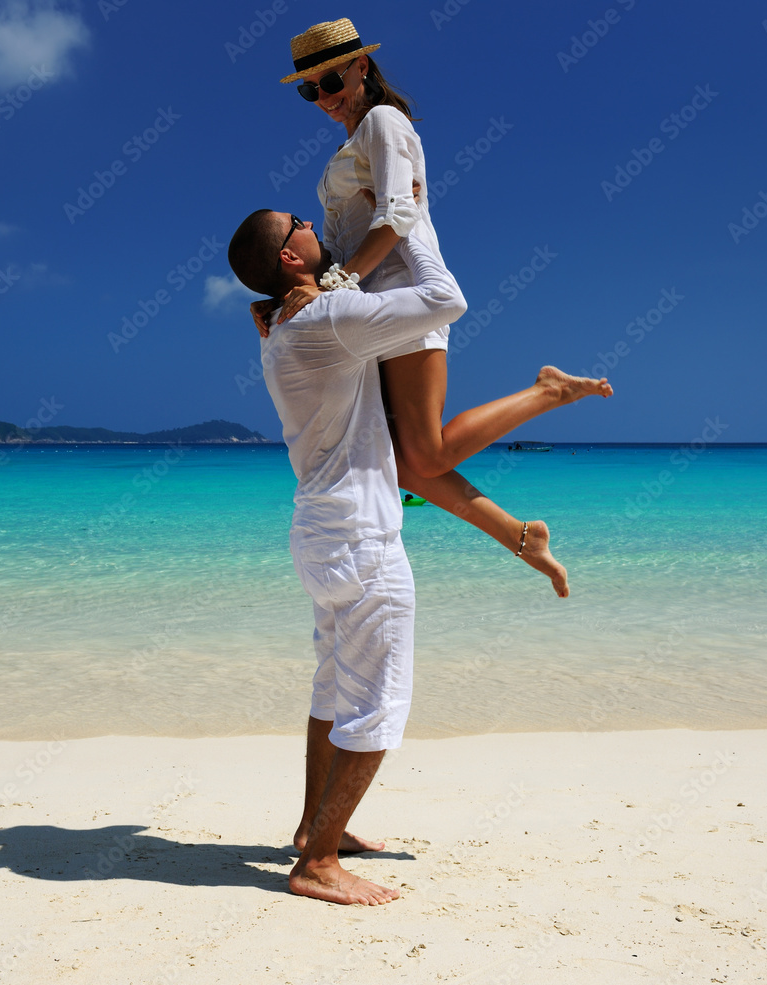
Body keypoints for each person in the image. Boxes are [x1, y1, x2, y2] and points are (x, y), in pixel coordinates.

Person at [228, 211, 607, 905]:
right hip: (359, 540)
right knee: (377, 703)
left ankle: (317, 832)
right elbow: (445, 301)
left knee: (333, 692)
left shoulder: (285, 327)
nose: (313, 223)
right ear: (289, 260)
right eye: (299, 225)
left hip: (320, 531)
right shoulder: (323, 320)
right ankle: (316, 865)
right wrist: (411, 226)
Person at [253, 18, 612, 598]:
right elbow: (345, 237)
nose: (322, 97)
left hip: (406, 297)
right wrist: (278, 301)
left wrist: (339, 284)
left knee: (427, 452)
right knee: (407, 463)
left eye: (330, 80)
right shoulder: (351, 142)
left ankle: (548, 390)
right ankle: (522, 537)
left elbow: (397, 215)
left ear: (362, 67)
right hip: (369, 309)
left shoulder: (382, 122)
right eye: (309, 89)